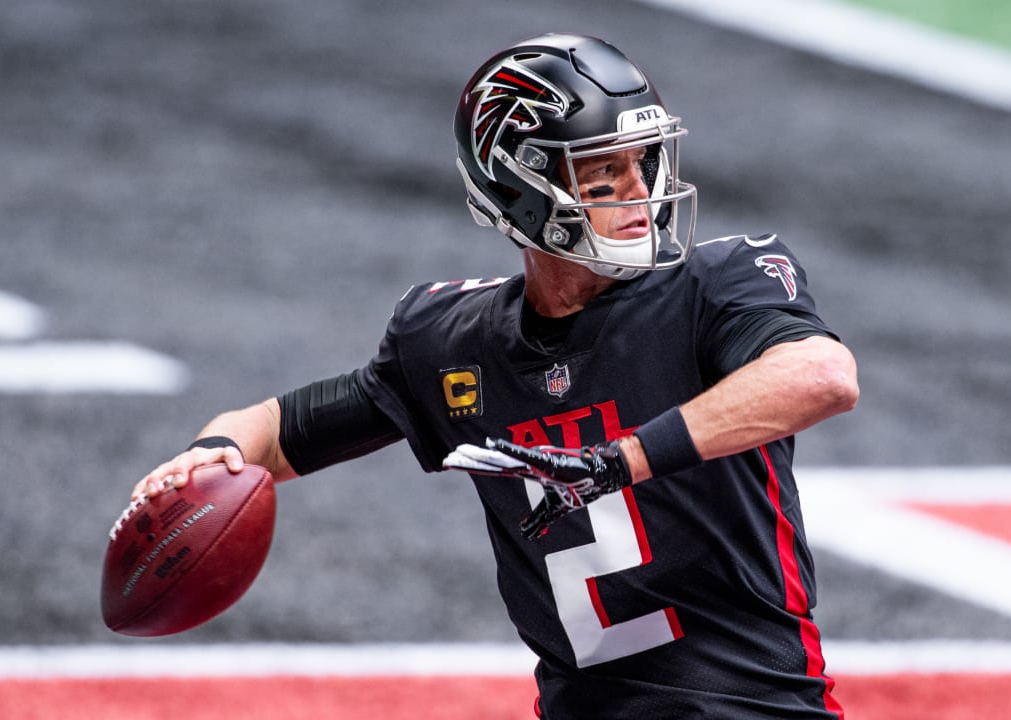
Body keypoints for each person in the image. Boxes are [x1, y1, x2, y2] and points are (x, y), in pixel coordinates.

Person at [133, 33, 858, 719]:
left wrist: (620, 461)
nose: (639, 190)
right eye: (604, 172)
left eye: (645, 161)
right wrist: (204, 462)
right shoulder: (453, 341)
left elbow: (822, 374)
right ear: (521, 190)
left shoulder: (715, 284)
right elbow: (277, 429)